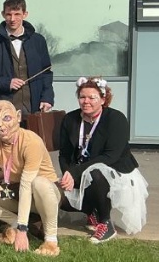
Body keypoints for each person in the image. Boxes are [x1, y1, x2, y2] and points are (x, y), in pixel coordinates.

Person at [0, 100, 61, 257]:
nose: (1, 125)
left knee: (38, 182)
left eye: (7, 118)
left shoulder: (31, 140)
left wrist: (21, 232)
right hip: (15, 191)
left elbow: (27, 184)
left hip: (44, 194)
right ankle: (14, 222)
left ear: (18, 117)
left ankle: (51, 240)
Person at [59, 77, 147, 243]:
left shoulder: (116, 119)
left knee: (97, 173)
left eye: (92, 98)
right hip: (82, 169)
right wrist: (67, 175)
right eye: (82, 97)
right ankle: (91, 212)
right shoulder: (70, 119)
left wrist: (75, 172)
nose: (86, 102)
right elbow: (64, 153)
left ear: (103, 99)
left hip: (116, 171)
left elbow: (110, 156)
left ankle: (106, 223)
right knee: (59, 197)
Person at [0, 0, 54, 116]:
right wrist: (5, 83)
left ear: (25, 14)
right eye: (9, 14)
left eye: (17, 14)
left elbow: (46, 72)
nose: (12, 19)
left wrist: (47, 97)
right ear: (3, 14)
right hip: (2, 115)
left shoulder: (38, 41)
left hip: (34, 112)